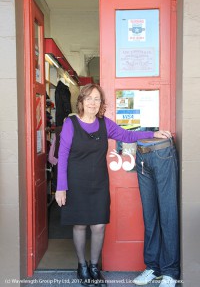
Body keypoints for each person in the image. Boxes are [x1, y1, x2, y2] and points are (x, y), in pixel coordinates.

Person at [55, 84, 171, 287]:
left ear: (101, 103)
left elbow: (126, 135)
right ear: (81, 101)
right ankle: (81, 266)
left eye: (97, 99)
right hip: (76, 182)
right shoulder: (70, 123)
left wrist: (153, 133)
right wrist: (61, 187)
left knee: (99, 225)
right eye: (89, 98)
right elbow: (62, 156)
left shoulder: (104, 124)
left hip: (99, 182)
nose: (93, 102)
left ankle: (93, 267)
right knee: (80, 224)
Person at [133, 138, 180, 287]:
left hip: (162, 152)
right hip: (141, 154)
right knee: (150, 216)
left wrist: (153, 132)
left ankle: (170, 271)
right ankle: (153, 267)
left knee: (167, 213)